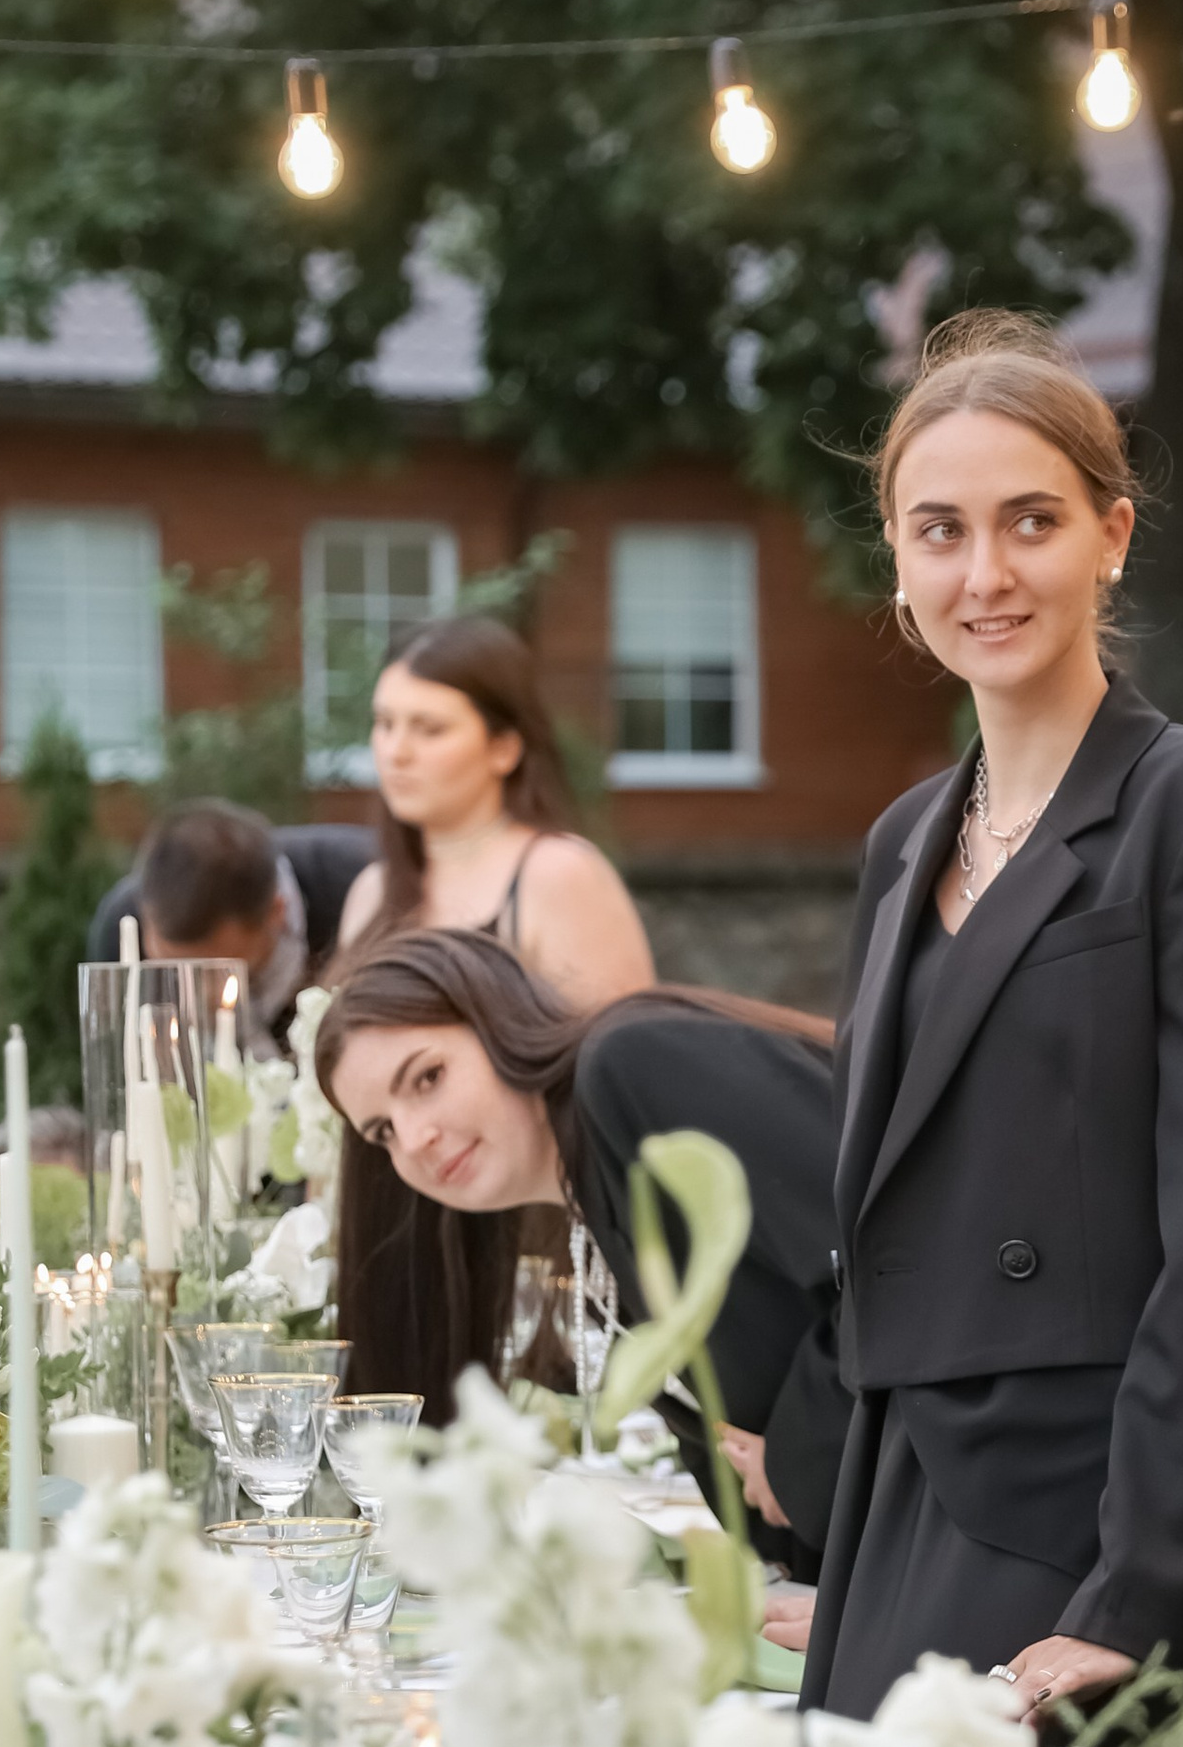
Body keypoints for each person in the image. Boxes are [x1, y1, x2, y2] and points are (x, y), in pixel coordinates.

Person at [793, 310, 1183, 1724]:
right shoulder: (902, 841)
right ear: (898, 560)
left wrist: (1134, 1591)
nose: (985, 574)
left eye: (1030, 522)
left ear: (1113, 537)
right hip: (900, 1489)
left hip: (1091, 1516)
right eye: (940, 531)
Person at [315, 930, 848, 1558]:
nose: (413, 1139)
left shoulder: (632, 1064)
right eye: (382, 1132)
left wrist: (799, 1461)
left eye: (428, 1077)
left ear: (498, 1022)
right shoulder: (590, 1212)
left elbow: (898, 1256)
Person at [334, 615, 655, 1012]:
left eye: (430, 729)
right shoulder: (372, 890)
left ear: (503, 748)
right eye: (384, 723)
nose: (396, 752)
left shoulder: (559, 875)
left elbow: (623, 1044)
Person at [89, 804, 375, 1044]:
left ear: (276, 912)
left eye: (217, 972)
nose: (203, 996)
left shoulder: (363, 889)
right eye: (173, 972)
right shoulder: (123, 926)